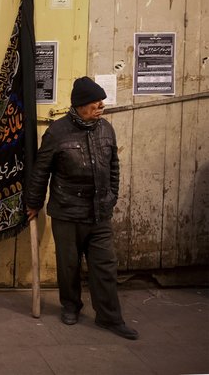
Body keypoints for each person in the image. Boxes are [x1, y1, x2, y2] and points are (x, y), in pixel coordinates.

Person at [25, 76, 138, 340]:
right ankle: (71, 306)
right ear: (79, 105)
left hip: (100, 213)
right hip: (67, 212)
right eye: (95, 102)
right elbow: (41, 172)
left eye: (102, 102)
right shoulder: (57, 132)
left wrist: (112, 197)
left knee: (105, 265)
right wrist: (33, 202)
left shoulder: (106, 129)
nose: (101, 106)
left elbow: (113, 167)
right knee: (68, 265)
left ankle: (110, 317)